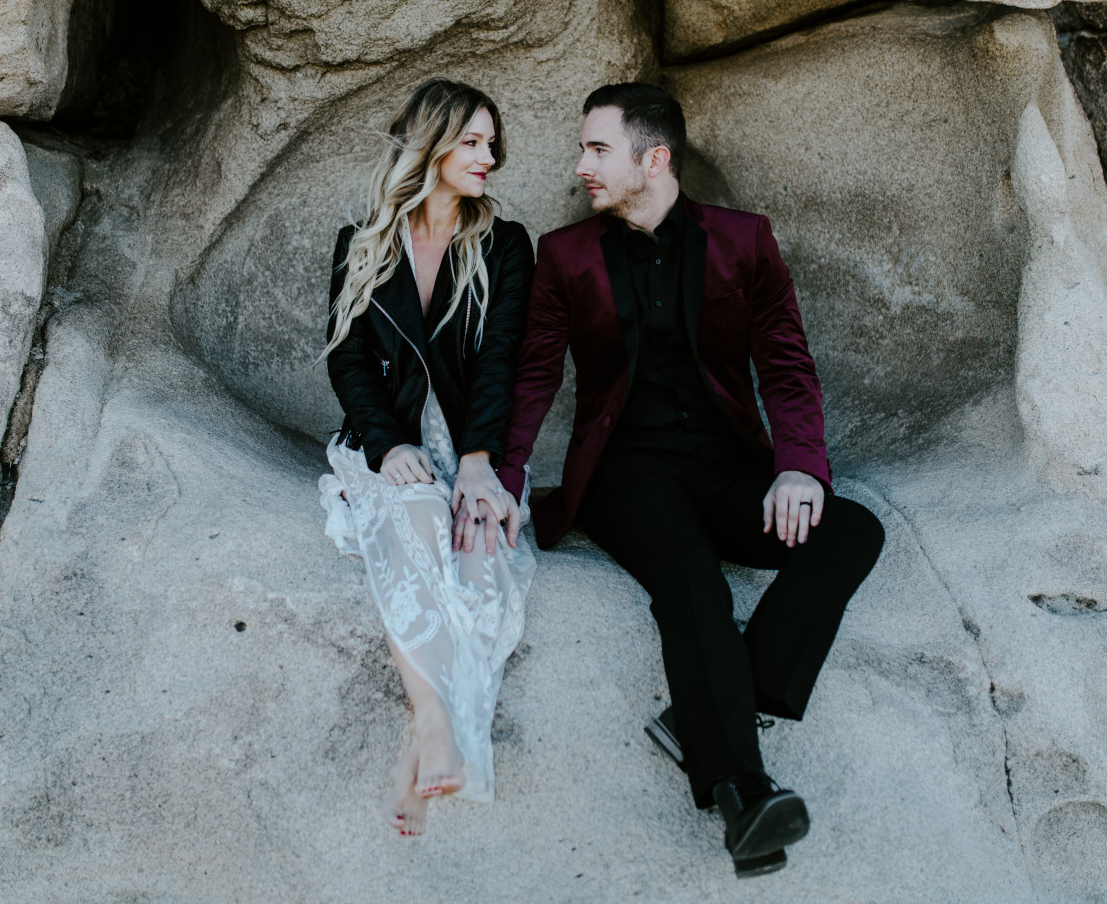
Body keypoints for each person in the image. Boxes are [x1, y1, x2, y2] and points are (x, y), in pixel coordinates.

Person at [494, 83, 884, 877]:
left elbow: (785, 361)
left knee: (850, 528)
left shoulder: (745, 241)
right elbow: (532, 375)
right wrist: (504, 476)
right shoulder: (565, 256)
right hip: (626, 475)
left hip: (728, 465)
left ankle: (703, 714)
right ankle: (741, 788)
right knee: (692, 583)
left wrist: (800, 467)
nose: (581, 168)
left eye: (597, 149)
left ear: (656, 157)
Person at [318, 79, 537, 836]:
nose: (489, 156)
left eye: (490, 142)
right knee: (412, 517)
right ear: (432, 144)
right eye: (472, 141)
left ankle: (421, 741)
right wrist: (388, 445)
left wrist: (478, 462)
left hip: (472, 443)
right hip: (394, 441)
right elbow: (346, 361)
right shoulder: (363, 241)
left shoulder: (505, 244)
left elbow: (501, 357)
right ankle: (432, 717)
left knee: (478, 560)